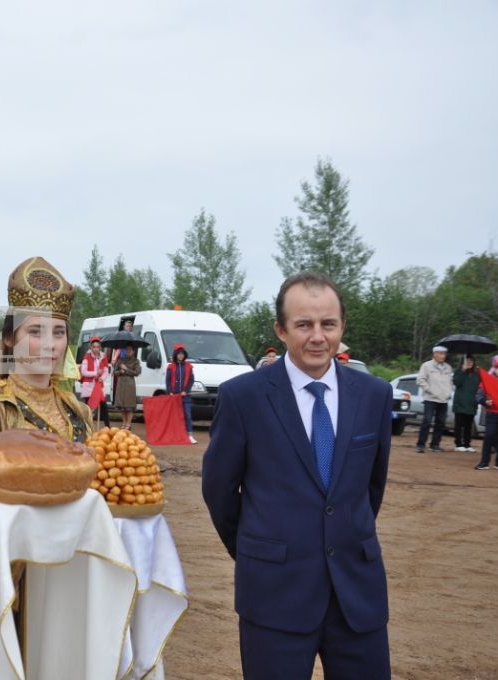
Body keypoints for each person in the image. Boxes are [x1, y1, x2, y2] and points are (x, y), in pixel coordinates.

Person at [202, 272, 392, 679]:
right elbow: (219, 491)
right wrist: (260, 551)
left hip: (357, 595)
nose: (318, 336)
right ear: (281, 330)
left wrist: (342, 536)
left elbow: (371, 487)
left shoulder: (374, 395)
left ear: (342, 327)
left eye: (329, 324)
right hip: (273, 594)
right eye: (304, 324)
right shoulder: (244, 398)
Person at [0, 257, 92, 442]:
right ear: (9, 338)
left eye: (59, 332)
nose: (50, 344)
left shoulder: (79, 410)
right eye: (36, 332)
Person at [415, 344, 453, 453]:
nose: (443, 356)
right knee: (426, 420)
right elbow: (420, 380)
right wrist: (430, 390)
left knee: (440, 422)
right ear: (435, 354)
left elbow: (450, 382)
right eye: (441, 353)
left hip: (443, 399)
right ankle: (421, 444)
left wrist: (448, 392)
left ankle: (435, 444)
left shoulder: (448, 367)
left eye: (444, 354)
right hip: (430, 398)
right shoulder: (426, 366)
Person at [165, 343, 196, 443]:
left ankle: (190, 435)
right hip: (174, 396)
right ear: (176, 355)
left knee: (187, 415)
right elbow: (168, 380)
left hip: (185, 396)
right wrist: (170, 392)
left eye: (182, 354)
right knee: (174, 416)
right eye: (179, 354)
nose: (181, 355)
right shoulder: (171, 367)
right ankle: (174, 435)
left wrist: (186, 391)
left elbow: (191, 380)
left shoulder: (189, 367)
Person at [80, 336, 112, 426]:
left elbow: (106, 371)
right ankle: (86, 428)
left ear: (100, 347)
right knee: (88, 409)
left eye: (98, 347)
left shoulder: (103, 357)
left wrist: (102, 378)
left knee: (103, 407)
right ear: (91, 347)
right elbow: (83, 371)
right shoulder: (86, 357)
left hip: (99, 386)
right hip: (89, 386)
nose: (96, 349)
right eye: (94, 347)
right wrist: (95, 373)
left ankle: (108, 427)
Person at [453, 355, 480, 452]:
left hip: (471, 403)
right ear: (463, 362)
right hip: (460, 403)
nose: (469, 363)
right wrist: (463, 370)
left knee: (469, 426)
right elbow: (456, 382)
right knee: (459, 425)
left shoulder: (476, 374)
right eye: (467, 361)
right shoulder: (458, 372)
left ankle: (467, 444)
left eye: (471, 361)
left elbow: (480, 387)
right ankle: (458, 444)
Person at [114, 342, 140, 430]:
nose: (128, 351)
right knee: (122, 406)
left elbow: (137, 372)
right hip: (121, 384)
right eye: (127, 350)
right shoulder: (120, 360)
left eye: (130, 350)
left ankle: (128, 424)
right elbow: (115, 372)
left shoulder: (135, 361)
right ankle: (124, 422)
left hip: (130, 385)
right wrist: (120, 372)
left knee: (129, 406)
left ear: (133, 351)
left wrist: (126, 369)